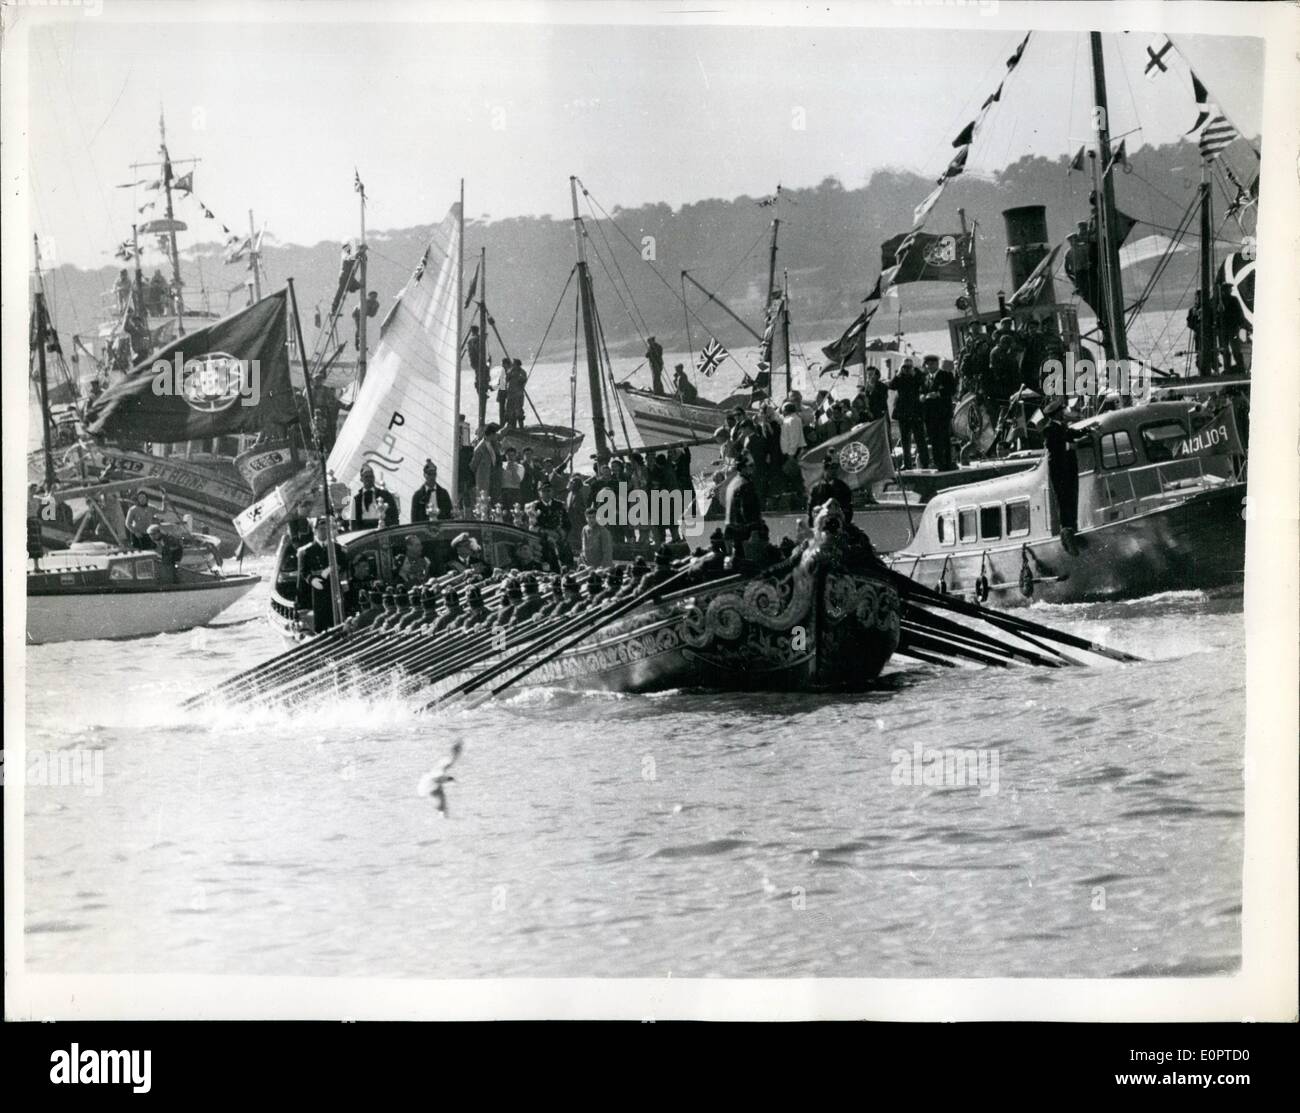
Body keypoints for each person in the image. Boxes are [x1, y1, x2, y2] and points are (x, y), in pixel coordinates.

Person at [1043, 398, 1084, 555]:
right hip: (1059, 471)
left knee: (1071, 497)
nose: (1064, 414)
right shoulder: (1049, 429)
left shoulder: (1062, 427)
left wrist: (1088, 430)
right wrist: (1069, 446)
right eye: (1061, 412)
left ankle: (1072, 529)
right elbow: (1052, 447)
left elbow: (1073, 433)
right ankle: (1066, 532)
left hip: (1068, 469)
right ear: (1056, 414)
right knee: (1063, 499)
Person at [296, 518, 348, 632]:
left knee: (336, 615)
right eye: (321, 529)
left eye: (326, 529)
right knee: (320, 617)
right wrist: (311, 580)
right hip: (317, 588)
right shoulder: (308, 551)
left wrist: (332, 570)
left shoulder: (337, 548)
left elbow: (344, 565)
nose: (324, 532)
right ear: (315, 531)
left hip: (333, 585)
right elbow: (303, 571)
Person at [888, 357, 930, 469]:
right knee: (905, 440)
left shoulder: (917, 375)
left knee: (920, 438)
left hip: (916, 410)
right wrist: (898, 373)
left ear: (913, 366)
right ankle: (907, 464)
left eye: (909, 366)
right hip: (903, 412)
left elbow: (924, 385)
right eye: (905, 367)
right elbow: (891, 386)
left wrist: (914, 373)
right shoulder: (900, 377)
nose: (907, 369)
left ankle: (925, 462)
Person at [920, 352, 957, 471]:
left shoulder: (946, 375)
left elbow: (952, 390)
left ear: (937, 364)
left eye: (932, 363)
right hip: (930, 414)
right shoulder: (925, 378)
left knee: (944, 438)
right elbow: (922, 391)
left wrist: (938, 394)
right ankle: (938, 463)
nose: (930, 366)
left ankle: (947, 463)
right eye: (928, 364)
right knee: (933, 439)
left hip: (943, 413)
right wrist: (922, 396)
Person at [722, 452, 762, 552]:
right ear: (743, 467)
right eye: (750, 466)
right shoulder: (745, 484)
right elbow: (747, 511)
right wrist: (754, 531)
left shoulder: (734, 482)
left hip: (730, 530)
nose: (753, 468)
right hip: (742, 533)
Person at [806, 454, 854, 525]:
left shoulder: (843, 487)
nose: (834, 471)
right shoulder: (816, 488)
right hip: (820, 524)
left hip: (839, 524)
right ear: (825, 469)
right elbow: (810, 509)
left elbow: (848, 509)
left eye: (836, 468)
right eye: (831, 468)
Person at [310, 373, 341, 453]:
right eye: (316, 380)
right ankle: (319, 450)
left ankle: (330, 450)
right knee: (317, 433)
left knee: (328, 433)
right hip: (314, 414)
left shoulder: (327, 390)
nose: (318, 381)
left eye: (320, 380)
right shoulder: (310, 390)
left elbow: (333, 400)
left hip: (326, 414)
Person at [470, 423, 501, 502]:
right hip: (483, 478)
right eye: (495, 435)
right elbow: (473, 465)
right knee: (483, 500)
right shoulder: (480, 447)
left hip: (492, 477)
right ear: (491, 434)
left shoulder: (492, 444)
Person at [498, 445, 525, 510]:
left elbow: (517, 481)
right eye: (508, 455)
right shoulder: (501, 465)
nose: (510, 457)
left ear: (515, 456)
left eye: (512, 455)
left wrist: (513, 469)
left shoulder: (520, 467)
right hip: (503, 492)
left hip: (515, 493)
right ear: (505, 455)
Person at [504, 359, 528, 430]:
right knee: (510, 413)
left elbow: (523, 380)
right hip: (511, 395)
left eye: (514, 364)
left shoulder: (522, 372)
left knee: (519, 412)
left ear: (517, 365)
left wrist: (518, 377)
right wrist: (510, 373)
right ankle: (512, 428)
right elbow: (506, 379)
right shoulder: (511, 371)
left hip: (518, 395)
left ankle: (521, 428)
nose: (513, 365)